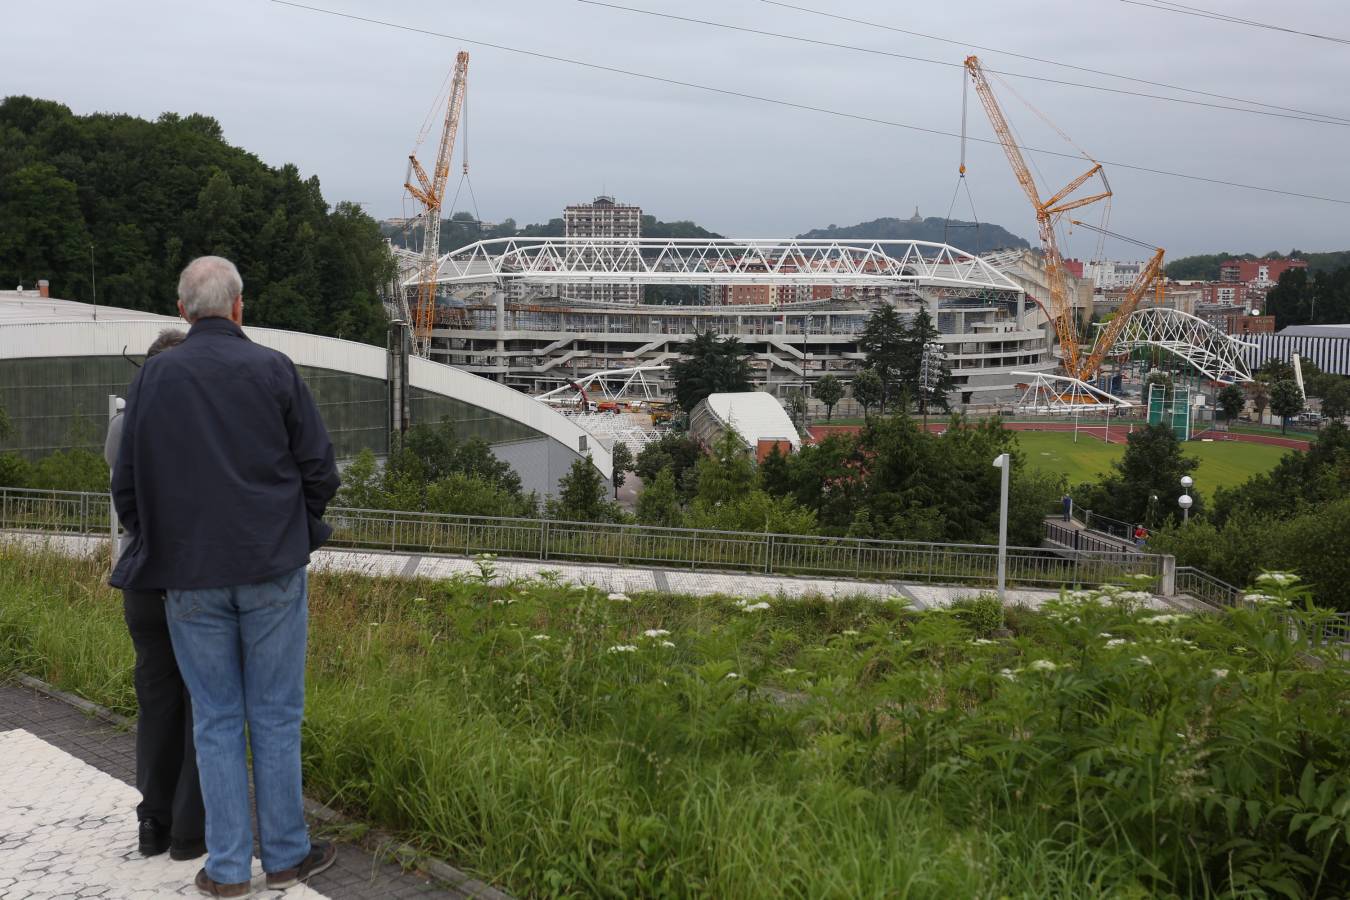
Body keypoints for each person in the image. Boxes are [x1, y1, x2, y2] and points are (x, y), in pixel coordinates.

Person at [111, 256, 341, 898]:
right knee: (275, 715)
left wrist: (159, 542)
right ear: (240, 306)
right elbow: (320, 468)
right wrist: (293, 526)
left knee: (214, 718)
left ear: (182, 310)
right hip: (270, 566)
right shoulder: (273, 368)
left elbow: (126, 481)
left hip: (189, 574)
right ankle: (290, 856)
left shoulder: (155, 378)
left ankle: (229, 869)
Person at [107, 328, 205, 861]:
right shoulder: (191, 425)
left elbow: (125, 496)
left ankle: (152, 820)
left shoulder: (123, 424)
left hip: (138, 579)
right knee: (200, 702)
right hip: (185, 575)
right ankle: (190, 830)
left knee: (155, 700)